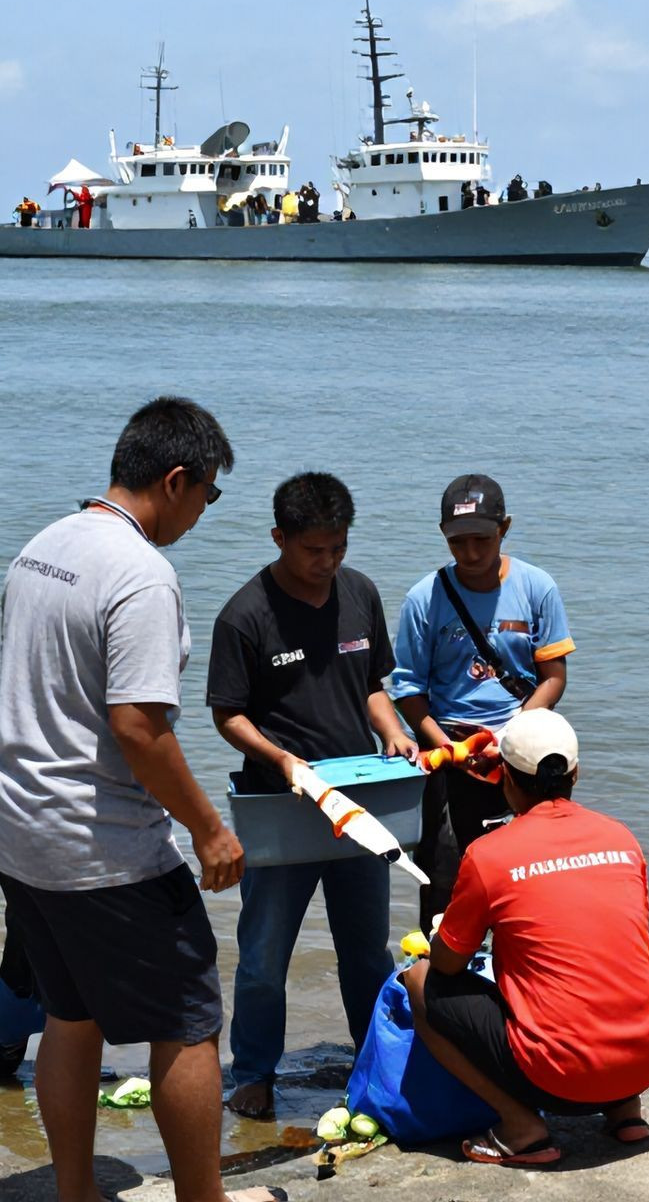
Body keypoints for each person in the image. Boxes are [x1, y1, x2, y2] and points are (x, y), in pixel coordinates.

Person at [0, 398, 284, 1202]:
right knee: (190, 1018)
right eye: (208, 496)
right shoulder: (143, 574)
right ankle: (203, 1199)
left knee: (70, 1015)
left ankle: (76, 1191)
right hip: (104, 848)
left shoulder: (43, 546)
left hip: (19, 831)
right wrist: (212, 831)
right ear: (176, 479)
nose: (203, 514)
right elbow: (139, 729)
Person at [207, 472, 417, 1119]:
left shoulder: (360, 594)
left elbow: (372, 684)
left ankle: (377, 1063)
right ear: (279, 538)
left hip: (358, 806)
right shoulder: (246, 614)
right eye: (312, 550)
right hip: (280, 808)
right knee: (265, 953)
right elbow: (226, 713)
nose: (326, 563)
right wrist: (281, 759)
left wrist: (393, 730)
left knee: (368, 948)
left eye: (337, 548)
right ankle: (253, 1072)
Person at [404, 709, 649, 1167]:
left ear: (504, 778)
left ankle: (520, 1126)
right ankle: (625, 1109)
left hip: (560, 1079)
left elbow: (448, 965)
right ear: (577, 773)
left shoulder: (489, 854)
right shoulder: (621, 837)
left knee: (419, 979)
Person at [393, 474, 574, 930]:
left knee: (529, 877)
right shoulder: (423, 598)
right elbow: (409, 692)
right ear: (443, 535)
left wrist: (511, 738)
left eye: (482, 540)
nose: (471, 554)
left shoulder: (537, 588)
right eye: (458, 543)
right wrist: (451, 752)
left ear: (505, 528)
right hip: (449, 749)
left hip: (521, 750)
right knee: (445, 882)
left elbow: (553, 678)